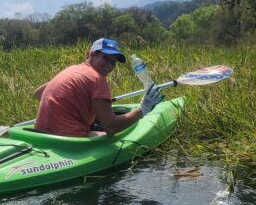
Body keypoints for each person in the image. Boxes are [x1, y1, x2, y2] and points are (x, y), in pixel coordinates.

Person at [34, 38, 164, 137]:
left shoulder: (72, 69)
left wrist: (81, 104)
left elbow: (38, 93)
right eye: (105, 58)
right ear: (92, 54)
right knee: (112, 134)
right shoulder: (97, 80)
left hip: (41, 134)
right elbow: (111, 127)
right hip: (68, 140)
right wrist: (143, 109)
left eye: (113, 62)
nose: (109, 65)